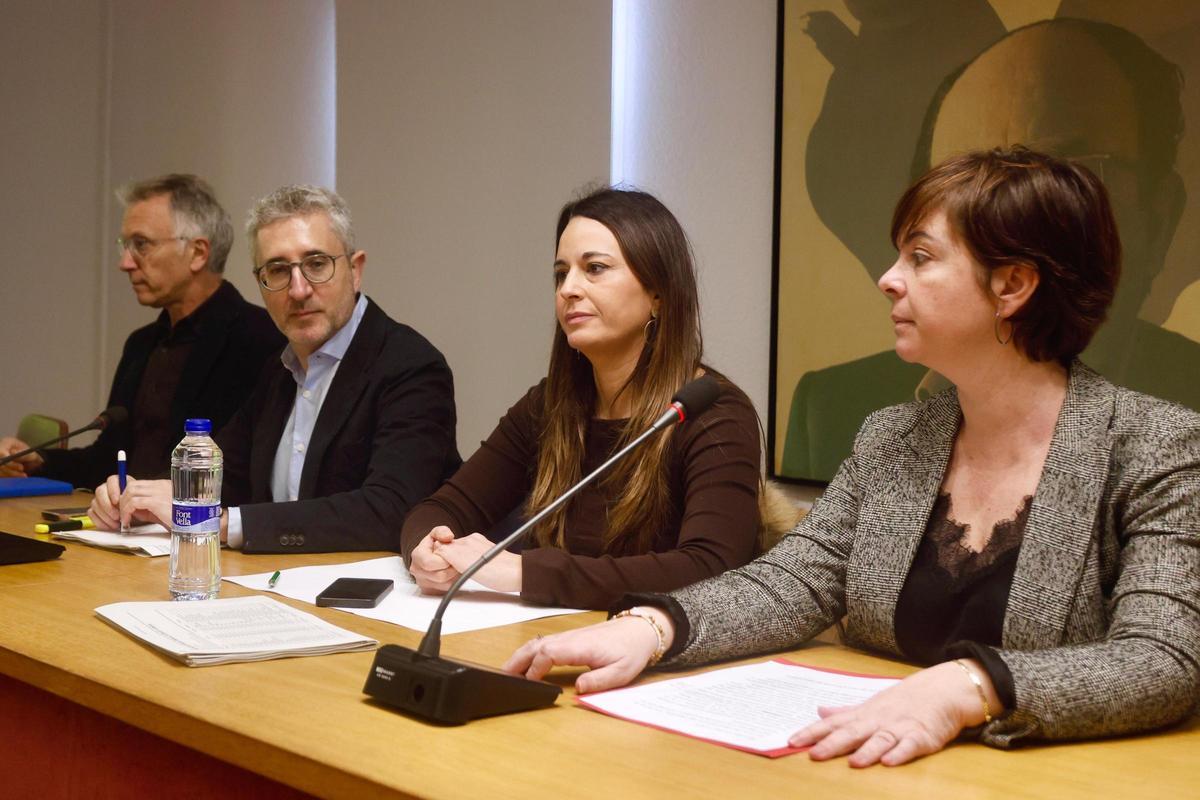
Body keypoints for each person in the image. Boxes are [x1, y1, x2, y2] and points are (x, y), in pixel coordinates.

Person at [504, 149, 1200, 765]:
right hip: (868, 768)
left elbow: (1163, 658)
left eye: (920, 258)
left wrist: (970, 688)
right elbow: (790, 583)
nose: (888, 279)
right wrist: (650, 628)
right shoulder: (891, 438)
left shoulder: (1156, 448)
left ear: (1012, 286)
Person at [783, 18, 1200, 481]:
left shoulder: (1170, 443)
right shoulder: (872, 427)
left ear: (1160, 214)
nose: (888, 280)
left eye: (1059, 179)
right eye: (963, 187)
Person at [400, 188, 786, 610]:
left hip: (655, 641)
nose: (568, 289)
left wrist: (525, 572)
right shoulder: (550, 404)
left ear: (658, 293)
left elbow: (712, 569)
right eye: (560, 273)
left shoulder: (712, 413)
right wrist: (427, 547)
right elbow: (444, 506)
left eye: (595, 269)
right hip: (549, 631)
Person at [88, 185, 461, 553]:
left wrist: (219, 523)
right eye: (278, 270)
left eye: (317, 264)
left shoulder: (411, 365)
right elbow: (228, 475)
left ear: (355, 269)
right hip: (271, 580)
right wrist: (146, 497)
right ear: (261, 283)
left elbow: (391, 509)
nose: (298, 290)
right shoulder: (278, 370)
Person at [0, 174, 283, 485]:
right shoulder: (141, 344)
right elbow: (108, 460)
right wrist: (39, 461)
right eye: (125, 246)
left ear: (198, 253)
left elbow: (243, 473)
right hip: (122, 513)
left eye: (141, 245)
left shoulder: (260, 340)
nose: (125, 263)